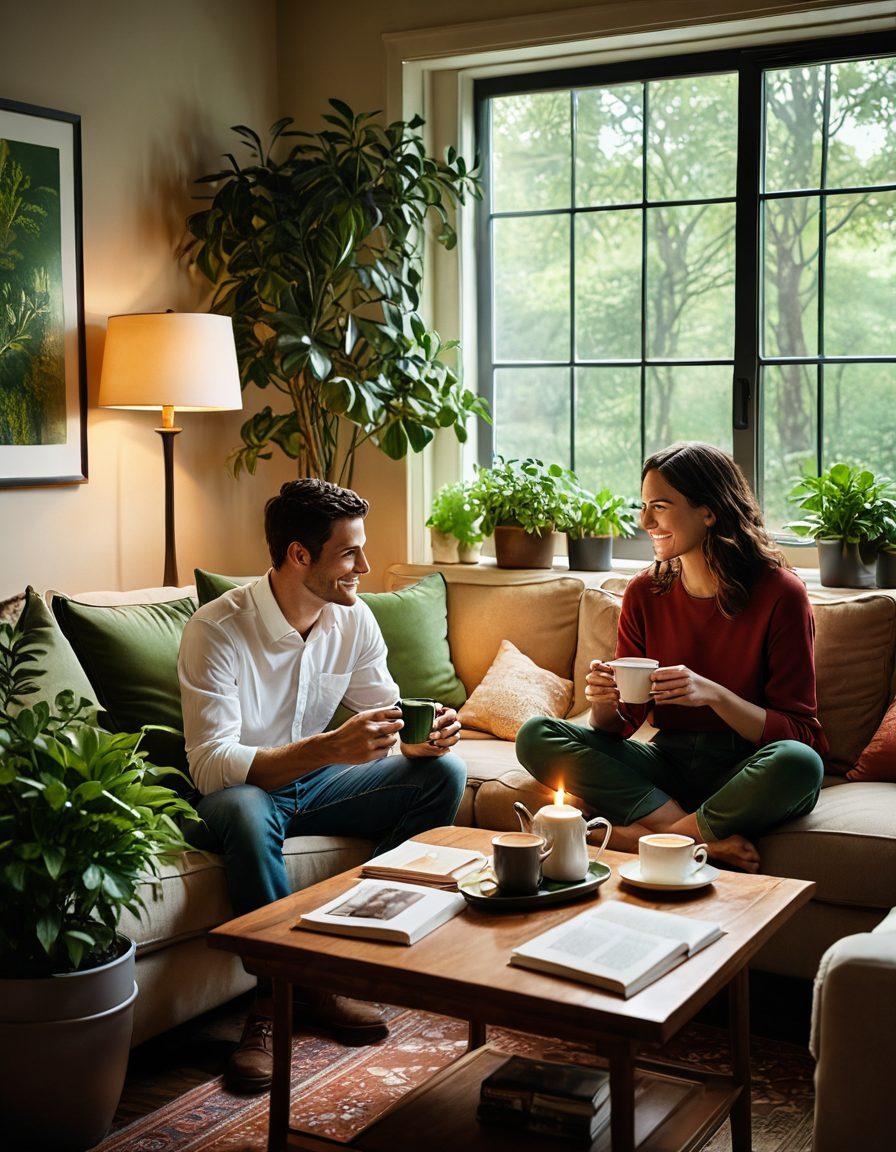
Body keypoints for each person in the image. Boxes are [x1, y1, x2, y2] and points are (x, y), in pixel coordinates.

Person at [179, 478, 466, 1093]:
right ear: (297, 555)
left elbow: (386, 709)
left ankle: (351, 959)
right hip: (241, 793)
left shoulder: (352, 618)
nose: (364, 567)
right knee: (250, 814)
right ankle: (279, 998)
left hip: (316, 784)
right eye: (348, 553)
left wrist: (425, 736)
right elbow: (209, 763)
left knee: (442, 775)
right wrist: (326, 748)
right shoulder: (218, 628)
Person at [516, 441, 826, 874]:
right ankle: (696, 839)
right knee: (536, 735)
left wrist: (712, 695)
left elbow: (801, 735)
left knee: (801, 765)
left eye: (659, 506)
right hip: (668, 764)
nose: (645, 521)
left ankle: (645, 840)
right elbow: (619, 726)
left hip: (744, 767)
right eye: (644, 506)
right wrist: (604, 701)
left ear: (709, 511)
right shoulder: (645, 592)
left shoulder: (781, 594)